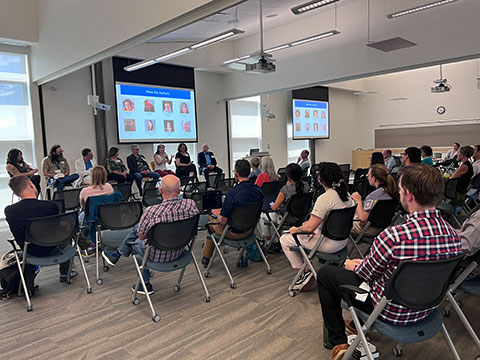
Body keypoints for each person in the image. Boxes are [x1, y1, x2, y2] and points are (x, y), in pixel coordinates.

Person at [317, 164, 463, 360]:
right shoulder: (454, 235)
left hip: (388, 311)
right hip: (427, 309)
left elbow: (365, 275)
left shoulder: (394, 236)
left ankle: (339, 342)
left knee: (326, 274)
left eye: (401, 190)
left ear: (409, 195)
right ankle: (355, 328)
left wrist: (356, 265)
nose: (399, 193)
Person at [101, 175, 199, 294]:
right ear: (180, 190)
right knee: (138, 228)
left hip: (155, 255)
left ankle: (144, 283)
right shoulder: (191, 205)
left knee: (134, 242)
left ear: (160, 190)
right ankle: (117, 253)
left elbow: (142, 237)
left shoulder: (151, 212)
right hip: (180, 250)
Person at [280, 162, 355, 292]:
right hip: (342, 242)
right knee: (305, 231)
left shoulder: (325, 198)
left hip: (328, 243)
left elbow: (309, 228)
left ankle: (306, 272)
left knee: (285, 239)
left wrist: (296, 229)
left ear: (321, 179)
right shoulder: (347, 195)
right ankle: (306, 269)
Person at [5, 175, 78, 285]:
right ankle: (65, 272)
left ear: (15, 193)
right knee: (66, 231)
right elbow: (55, 227)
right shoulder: (51, 206)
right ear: (31, 185)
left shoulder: (10, 211)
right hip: (51, 248)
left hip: (29, 252)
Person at [201, 159, 264, 266]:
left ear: (236, 174)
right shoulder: (259, 191)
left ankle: (206, 257)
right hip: (249, 230)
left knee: (210, 221)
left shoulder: (232, 194)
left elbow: (223, 221)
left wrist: (217, 215)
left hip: (232, 232)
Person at [260, 163, 309, 241]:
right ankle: (276, 240)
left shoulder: (285, 190)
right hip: (302, 218)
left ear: (288, 176)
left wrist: (271, 205)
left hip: (286, 219)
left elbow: (275, 207)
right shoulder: (306, 185)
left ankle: (269, 241)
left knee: (263, 216)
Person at [351, 164, 398, 237]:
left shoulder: (373, 197)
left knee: (343, 224)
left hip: (369, 229)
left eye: (368, 176)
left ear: (373, 178)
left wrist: (358, 201)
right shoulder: (392, 193)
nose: (367, 178)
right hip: (383, 228)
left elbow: (363, 220)